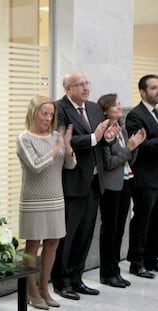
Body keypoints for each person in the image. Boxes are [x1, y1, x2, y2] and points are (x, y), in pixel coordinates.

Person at [51, 71, 119, 301]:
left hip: (93, 180)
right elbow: (62, 140)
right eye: (79, 84)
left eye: (86, 83)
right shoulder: (59, 109)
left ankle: (77, 278)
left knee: (86, 233)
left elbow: (99, 141)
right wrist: (93, 137)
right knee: (67, 235)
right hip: (72, 181)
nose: (86, 87)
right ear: (68, 89)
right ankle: (61, 282)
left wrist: (107, 137)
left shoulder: (92, 108)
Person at [16, 95, 76, 310]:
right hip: (34, 200)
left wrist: (67, 147)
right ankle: (31, 292)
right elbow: (35, 165)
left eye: (51, 114)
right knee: (33, 244)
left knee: (53, 242)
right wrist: (55, 147)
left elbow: (70, 164)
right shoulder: (24, 138)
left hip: (55, 198)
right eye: (44, 113)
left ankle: (44, 288)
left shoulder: (55, 136)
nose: (48, 118)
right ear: (33, 113)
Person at [97, 93, 146, 288]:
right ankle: (107, 273)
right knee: (110, 229)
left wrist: (135, 147)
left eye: (119, 104)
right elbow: (109, 163)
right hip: (111, 186)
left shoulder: (122, 130)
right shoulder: (104, 131)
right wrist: (129, 148)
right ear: (105, 110)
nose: (119, 107)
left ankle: (115, 270)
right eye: (115, 105)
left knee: (119, 230)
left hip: (126, 181)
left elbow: (128, 159)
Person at [125, 74, 158, 279]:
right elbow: (138, 146)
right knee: (142, 220)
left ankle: (151, 258)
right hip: (144, 178)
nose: (157, 92)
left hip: (157, 177)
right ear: (142, 92)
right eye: (153, 88)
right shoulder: (135, 116)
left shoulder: (156, 113)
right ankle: (136, 262)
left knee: (156, 221)